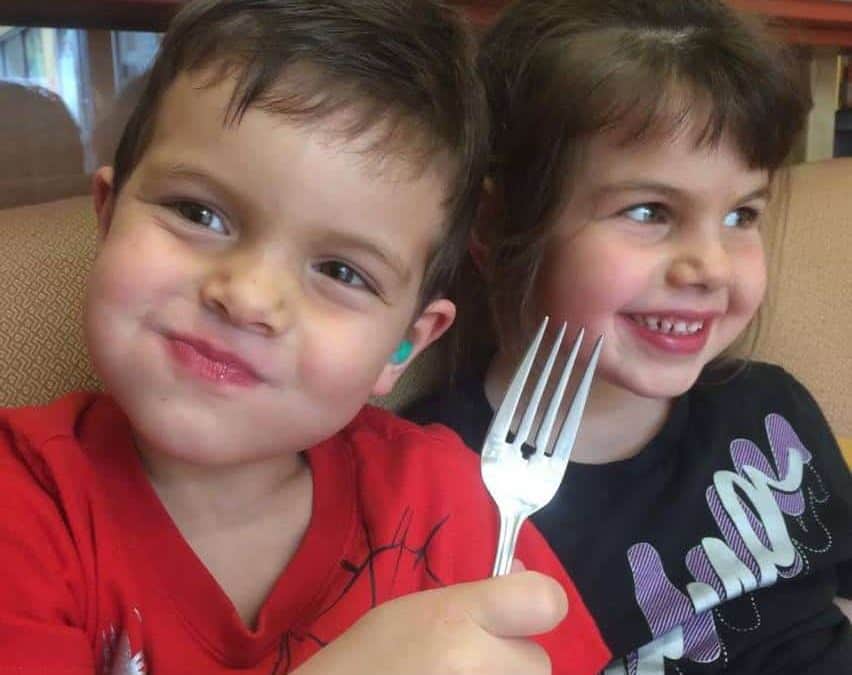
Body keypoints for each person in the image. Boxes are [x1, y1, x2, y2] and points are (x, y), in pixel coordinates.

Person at [0, 1, 612, 673]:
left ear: (405, 345)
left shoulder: (454, 501)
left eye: (341, 272)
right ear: (108, 215)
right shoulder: (22, 506)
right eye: (198, 213)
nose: (248, 297)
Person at [405, 0, 852, 672]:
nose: (710, 267)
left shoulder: (771, 409)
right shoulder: (424, 481)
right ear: (494, 227)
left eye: (741, 215)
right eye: (649, 211)